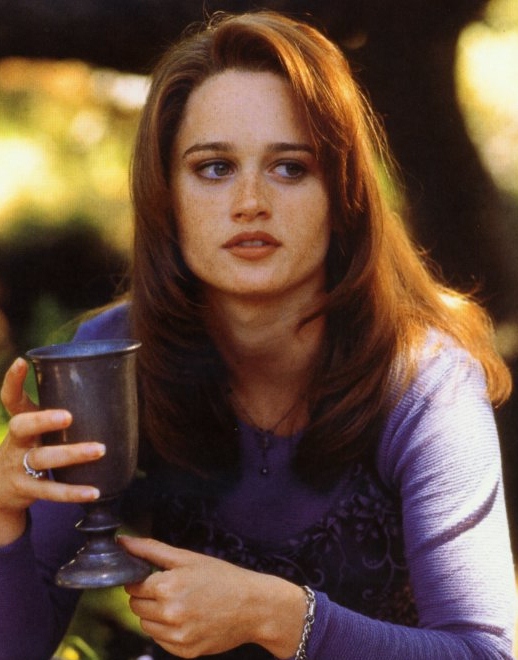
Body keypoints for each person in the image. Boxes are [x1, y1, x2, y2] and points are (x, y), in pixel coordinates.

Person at [0, 10, 515, 660]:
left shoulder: (424, 383)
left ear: (342, 193)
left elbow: (483, 652)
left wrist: (281, 618)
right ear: (167, 195)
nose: (250, 202)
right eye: (214, 168)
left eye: (290, 168)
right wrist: (6, 520)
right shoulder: (110, 358)